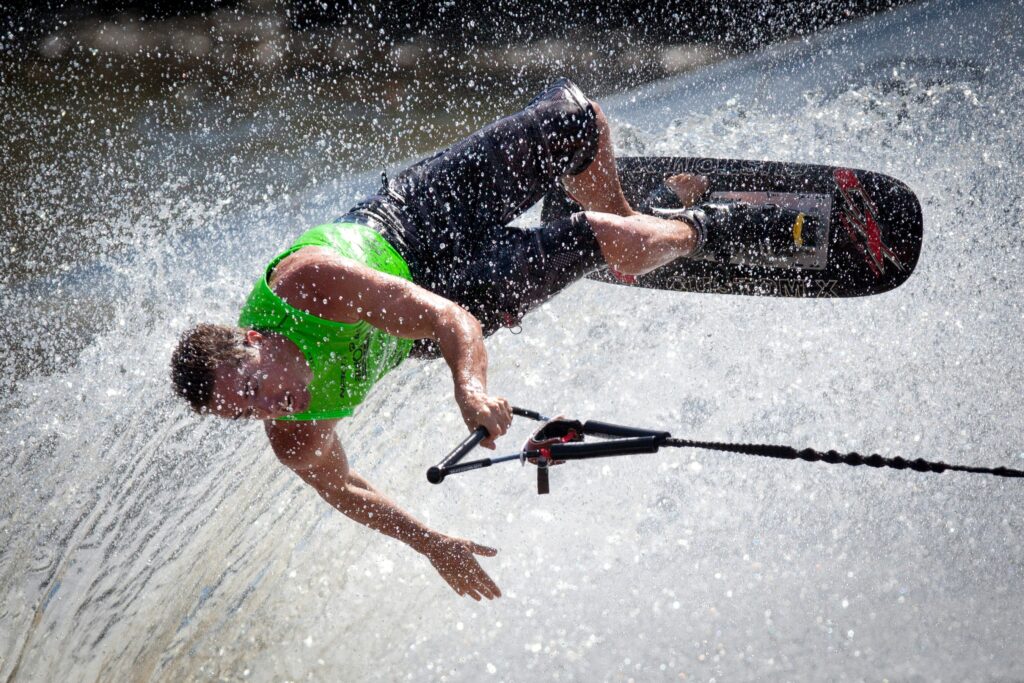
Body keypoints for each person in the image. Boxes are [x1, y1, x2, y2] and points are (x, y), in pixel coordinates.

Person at [170, 78, 801, 601]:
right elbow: (343, 487)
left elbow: (451, 322)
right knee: (602, 241)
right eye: (246, 410)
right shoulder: (294, 432)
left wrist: (470, 390)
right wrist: (431, 544)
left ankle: (635, 222)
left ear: (254, 338)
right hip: (444, 305)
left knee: (571, 119)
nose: (269, 406)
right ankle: (698, 227)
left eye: (254, 385)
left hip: (409, 226)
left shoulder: (311, 287)